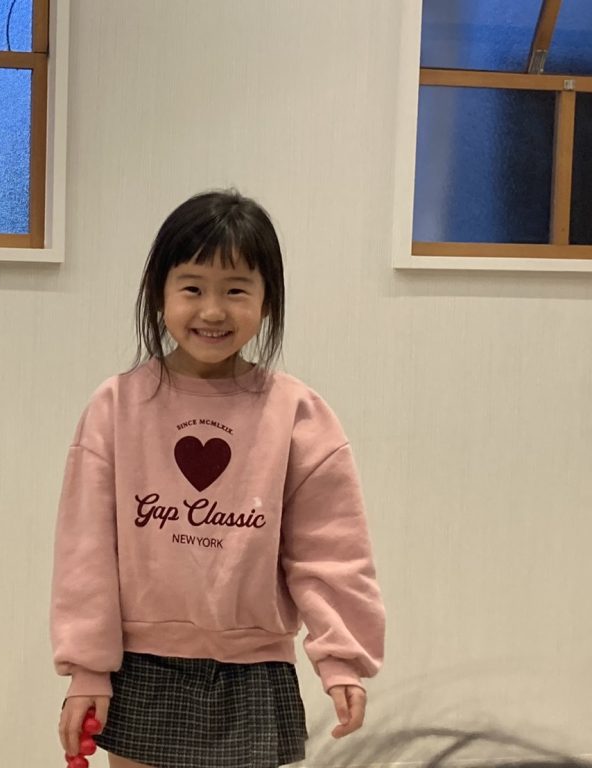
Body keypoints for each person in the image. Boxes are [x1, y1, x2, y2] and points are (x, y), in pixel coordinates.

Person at [51, 190, 385, 768]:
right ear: (159, 293)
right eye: (192, 288)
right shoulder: (116, 406)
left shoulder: (297, 413)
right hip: (141, 664)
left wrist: (342, 658)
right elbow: (86, 552)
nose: (212, 311)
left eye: (235, 290)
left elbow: (330, 551)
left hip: (255, 668)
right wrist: (87, 669)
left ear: (267, 299)